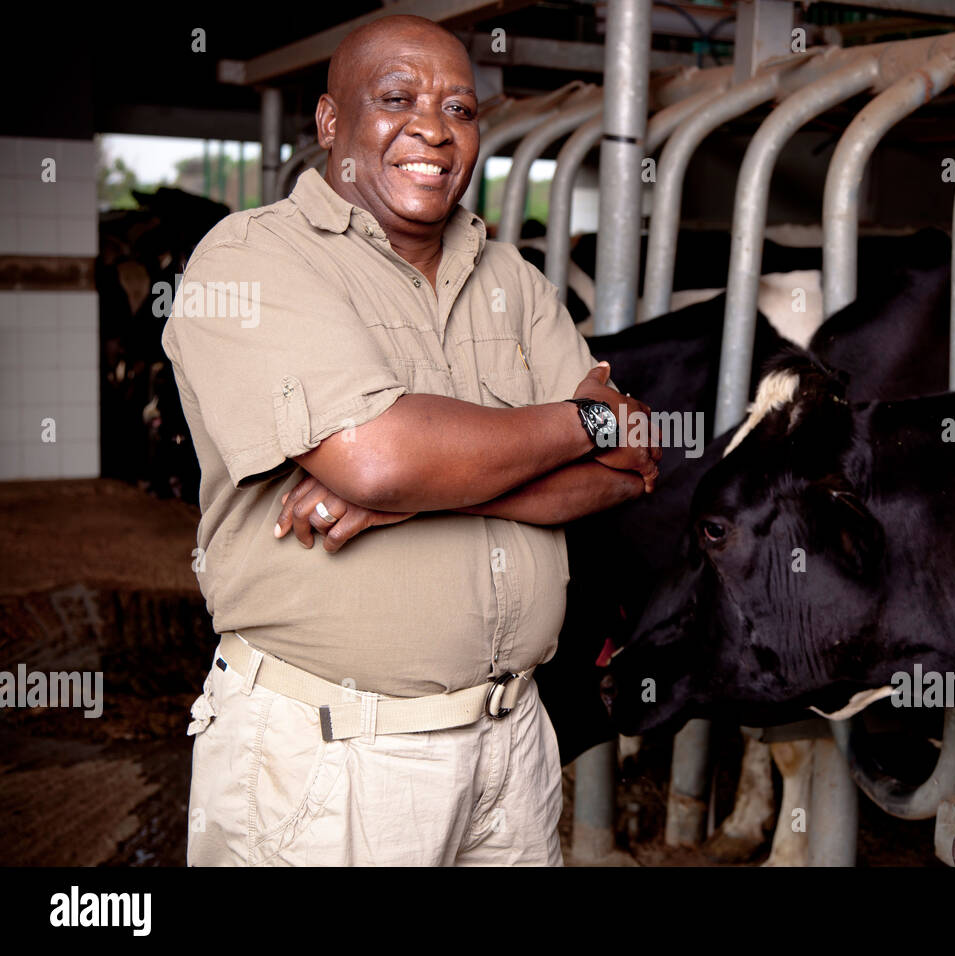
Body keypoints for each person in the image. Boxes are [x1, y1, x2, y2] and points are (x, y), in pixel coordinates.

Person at [162, 14, 659, 866]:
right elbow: (380, 457)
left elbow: (631, 467)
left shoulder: (514, 282)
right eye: (397, 99)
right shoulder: (251, 263)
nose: (433, 128)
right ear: (330, 124)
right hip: (333, 755)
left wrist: (409, 503)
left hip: (515, 748)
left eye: (460, 109)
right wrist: (581, 421)